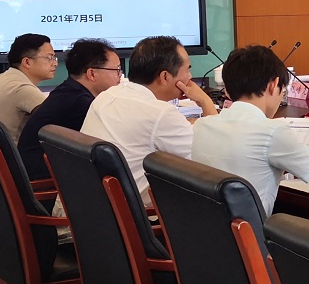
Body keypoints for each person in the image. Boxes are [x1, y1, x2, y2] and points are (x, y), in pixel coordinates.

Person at [81, 35, 218, 197]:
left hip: (92, 204)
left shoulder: (106, 96)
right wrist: (205, 101)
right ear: (165, 77)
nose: (190, 77)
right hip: (139, 209)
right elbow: (212, 160)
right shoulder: (161, 114)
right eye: (187, 69)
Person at [191, 44, 309, 212]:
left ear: (227, 91)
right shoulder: (272, 132)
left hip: (209, 226)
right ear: (273, 85)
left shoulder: (201, 126)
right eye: (283, 92)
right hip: (251, 229)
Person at [17, 38, 123, 177]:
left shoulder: (68, 91)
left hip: (38, 173)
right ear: (91, 74)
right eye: (117, 69)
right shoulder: (81, 103)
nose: (120, 75)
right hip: (44, 182)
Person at [0, 33, 58, 143]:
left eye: (54, 58)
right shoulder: (22, 88)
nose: (55, 63)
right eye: (49, 58)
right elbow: (57, 124)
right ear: (27, 62)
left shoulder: (0, 78)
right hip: (16, 152)